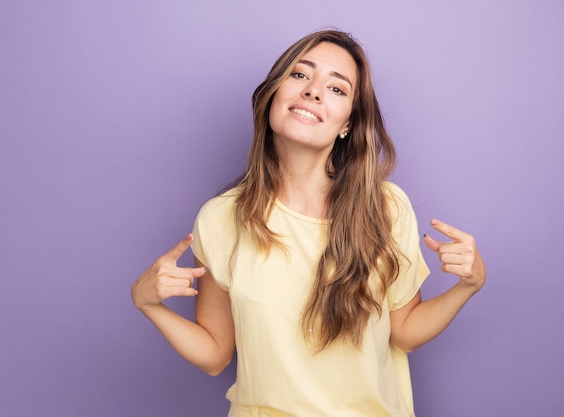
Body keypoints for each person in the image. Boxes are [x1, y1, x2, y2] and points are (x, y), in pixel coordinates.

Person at [131, 29, 486, 417]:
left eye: (337, 89)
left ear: (347, 123)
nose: (314, 91)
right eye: (300, 75)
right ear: (274, 94)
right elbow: (216, 353)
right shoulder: (221, 218)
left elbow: (405, 332)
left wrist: (468, 286)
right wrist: (148, 304)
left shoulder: (385, 208)